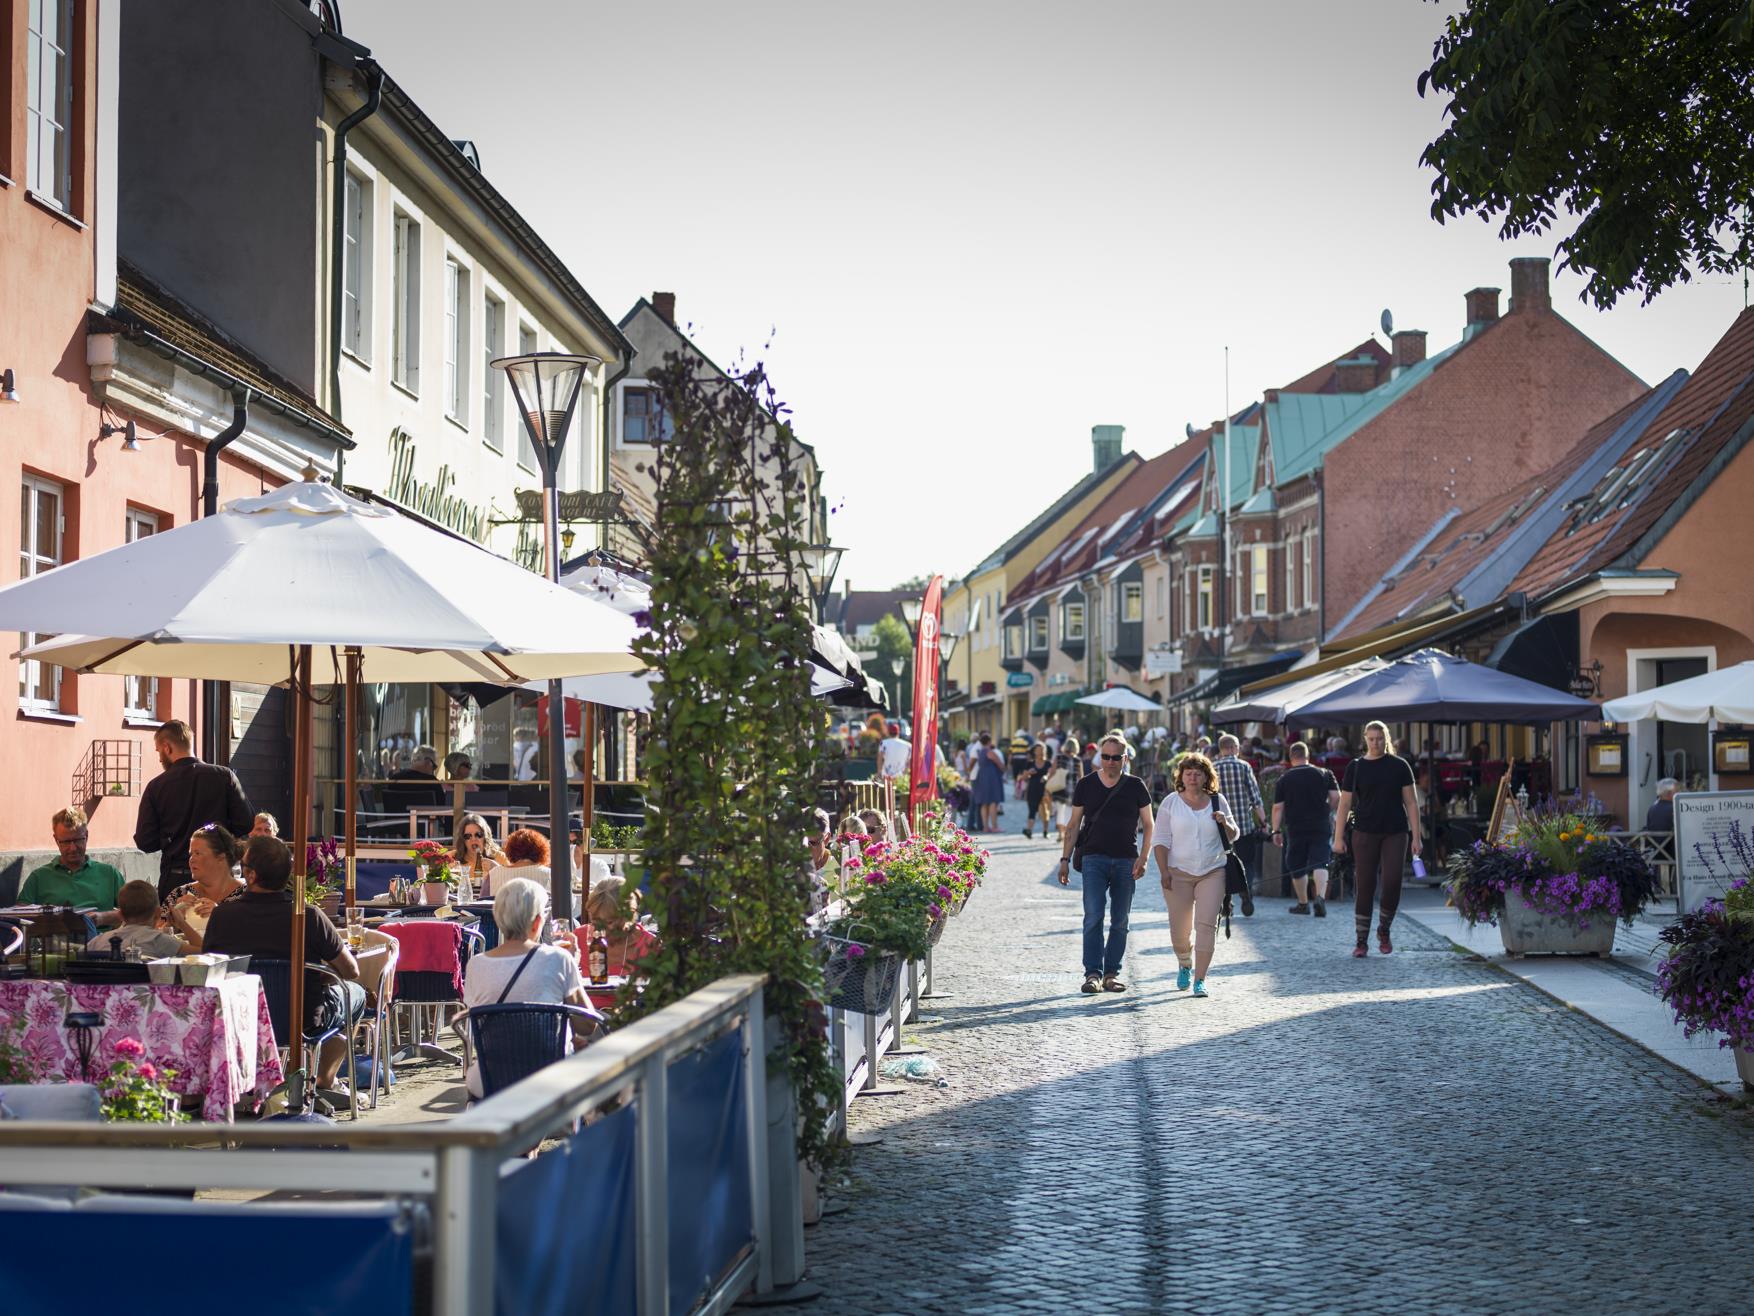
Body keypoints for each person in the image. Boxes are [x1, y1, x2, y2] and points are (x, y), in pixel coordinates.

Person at [204, 835, 363, 1096]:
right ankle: (326, 1077)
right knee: (354, 993)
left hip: (241, 1017)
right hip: (301, 1020)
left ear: (252, 876)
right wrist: (318, 976)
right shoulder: (308, 916)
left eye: (242, 867)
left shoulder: (222, 915)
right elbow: (351, 971)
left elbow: (210, 968)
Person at [460, 876, 596, 1099]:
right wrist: (571, 966)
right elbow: (588, 1025)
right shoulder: (559, 959)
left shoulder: (476, 965)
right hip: (550, 1078)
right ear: (536, 922)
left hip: (492, 1078)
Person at [1058, 731, 1155, 994]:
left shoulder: (1136, 785)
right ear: (1100, 757)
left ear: (1124, 758)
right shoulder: (1086, 784)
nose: (1110, 762)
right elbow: (1073, 824)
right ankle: (1092, 974)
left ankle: (1112, 973)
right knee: (1093, 917)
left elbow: (1149, 824)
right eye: (1105, 757)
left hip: (1126, 859)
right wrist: (1064, 859)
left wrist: (1144, 859)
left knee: (1120, 919)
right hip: (1094, 858)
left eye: (1115, 757)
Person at [134, 718, 253, 901]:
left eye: (159, 751)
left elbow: (145, 841)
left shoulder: (156, 787)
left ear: (167, 747)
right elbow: (245, 823)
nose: (159, 758)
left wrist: (172, 837)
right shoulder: (224, 776)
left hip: (176, 875)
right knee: (222, 926)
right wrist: (218, 831)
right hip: (219, 875)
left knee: (175, 927)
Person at [1150, 752, 1237, 998]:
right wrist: (1164, 871)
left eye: (1198, 773)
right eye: (1188, 773)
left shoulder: (1217, 801)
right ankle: (1184, 961)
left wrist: (1225, 823)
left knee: (1206, 925)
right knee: (1180, 931)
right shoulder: (1171, 802)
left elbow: (1234, 834)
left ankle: (1200, 979)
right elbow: (1161, 839)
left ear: (1206, 777)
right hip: (1178, 872)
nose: (1192, 777)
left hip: (1213, 870)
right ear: (1181, 776)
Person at [1334, 720, 1420, 957]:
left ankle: (1384, 929)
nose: (1376, 743)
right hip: (1364, 831)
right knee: (1365, 885)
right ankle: (1361, 940)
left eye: (1380, 739)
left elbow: (1411, 803)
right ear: (1365, 739)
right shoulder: (1356, 767)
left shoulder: (1400, 766)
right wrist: (1338, 837)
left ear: (1387, 739)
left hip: (1396, 831)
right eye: (1371, 739)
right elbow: (1344, 804)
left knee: (1392, 881)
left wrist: (1417, 836)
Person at [19, 807, 125, 926]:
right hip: (54, 940)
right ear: (56, 840)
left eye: (78, 840)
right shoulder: (39, 877)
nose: (73, 848)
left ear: (87, 836)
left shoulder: (109, 874)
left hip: (101, 941)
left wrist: (102, 918)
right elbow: (19, 914)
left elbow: (136, 912)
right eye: (66, 842)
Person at [1272, 741, 1339, 917]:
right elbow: (1336, 797)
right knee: (1320, 860)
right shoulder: (1325, 773)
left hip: (1296, 826)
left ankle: (1303, 903)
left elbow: (1278, 808)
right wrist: (1328, 810)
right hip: (1321, 824)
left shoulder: (1284, 778)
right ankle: (1320, 898)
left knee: (1296, 864)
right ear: (1308, 756)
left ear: (1291, 757)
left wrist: (1276, 830)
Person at [163, 823, 247, 951]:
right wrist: (173, 921)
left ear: (221, 858)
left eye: (198, 853)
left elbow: (250, 936)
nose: (191, 859)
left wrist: (220, 915)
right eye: (191, 854)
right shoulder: (179, 893)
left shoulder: (246, 894)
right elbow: (157, 939)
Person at [1213, 735, 1267, 901]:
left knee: (1222, 862)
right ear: (1235, 748)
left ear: (1221, 749)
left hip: (1219, 825)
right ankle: (1246, 889)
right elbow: (1255, 798)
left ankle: (1225, 899)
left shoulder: (1213, 768)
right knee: (1247, 861)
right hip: (1243, 824)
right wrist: (1264, 822)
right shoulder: (1244, 767)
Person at [88, 880, 183, 958]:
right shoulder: (159, 940)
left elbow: (79, 955)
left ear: (120, 915)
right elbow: (197, 951)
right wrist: (182, 923)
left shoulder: (98, 941)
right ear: (158, 913)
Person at [585, 875, 659, 976]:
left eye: (609, 921)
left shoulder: (651, 946)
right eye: (596, 920)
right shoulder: (580, 939)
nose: (601, 928)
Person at [480, 828, 550, 898]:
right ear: (541, 850)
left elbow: (481, 902)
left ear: (509, 849)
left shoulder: (493, 874)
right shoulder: (550, 874)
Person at [456, 813, 507, 902]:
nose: (473, 839)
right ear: (463, 840)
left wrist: (497, 869)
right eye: (468, 836)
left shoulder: (499, 857)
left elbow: (512, 885)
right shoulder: (453, 858)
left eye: (478, 835)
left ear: (485, 836)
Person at [969, 732, 1006, 832]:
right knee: (993, 802)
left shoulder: (980, 751)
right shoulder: (989, 751)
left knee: (984, 803)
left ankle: (985, 827)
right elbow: (1000, 764)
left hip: (981, 777)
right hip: (991, 777)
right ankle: (994, 826)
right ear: (989, 741)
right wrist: (1003, 770)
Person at [1050, 737, 1083, 843]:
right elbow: (1081, 777)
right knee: (1068, 814)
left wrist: (1048, 784)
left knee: (1059, 812)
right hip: (1072, 790)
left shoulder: (1058, 757)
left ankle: (1061, 833)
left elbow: (1052, 772)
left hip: (1059, 788)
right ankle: (1064, 833)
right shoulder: (1078, 760)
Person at [1020, 743, 1052, 839]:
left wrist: (1046, 777)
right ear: (1034, 752)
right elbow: (1023, 777)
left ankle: (1045, 831)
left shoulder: (1048, 763)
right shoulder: (1030, 763)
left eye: (1042, 750)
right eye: (1038, 750)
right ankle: (1029, 830)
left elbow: (1051, 774)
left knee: (1045, 811)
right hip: (1032, 789)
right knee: (1032, 810)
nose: (1041, 752)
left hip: (1045, 790)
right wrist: (1029, 773)